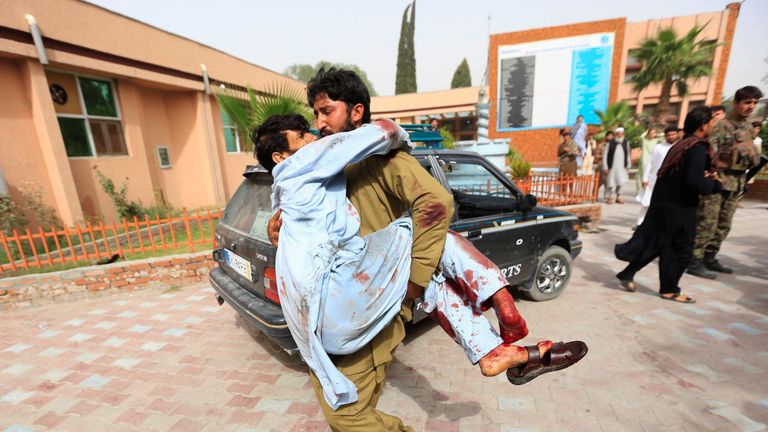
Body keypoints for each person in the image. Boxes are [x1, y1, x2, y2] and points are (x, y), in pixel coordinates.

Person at [266, 68, 585, 431]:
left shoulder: (380, 159)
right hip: (333, 302)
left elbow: (435, 205)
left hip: (374, 306)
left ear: (356, 113)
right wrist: (275, 227)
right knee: (345, 405)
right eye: (315, 114)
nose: (318, 122)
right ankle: (501, 346)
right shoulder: (319, 169)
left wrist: (415, 282)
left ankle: (499, 326)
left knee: (347, 415)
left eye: (326, 111)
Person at [615, 106, 722, 303]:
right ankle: (669, 289)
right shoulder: (697, 147)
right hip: (680, 209)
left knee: (658, 244)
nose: (713, 126)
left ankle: (627, 273)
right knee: (681, 250)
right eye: (712, 123)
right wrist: (715, 185)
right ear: (703, 125)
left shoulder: (681, 145)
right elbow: (694, 181)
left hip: (665, 205)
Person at [687, 86, 763, 278]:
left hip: (736, 181)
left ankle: (710, 257)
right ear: (736, 104)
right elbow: (709, 154)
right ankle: (694, 260)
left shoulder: (747, 128)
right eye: (747, 102)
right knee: (707, 222)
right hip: (718, 180)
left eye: (754, 103)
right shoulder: (720, 126)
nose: (751, 107)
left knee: (724, 223)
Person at [635, 126, 678, 228]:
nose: (671, 137)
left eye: (673, 134)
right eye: (669, 135)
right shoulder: (658, 147)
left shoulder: (679, 148)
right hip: (654, 179)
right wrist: (645, 178)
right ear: (665, 136)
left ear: (677, 135)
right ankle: (639, 223)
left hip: (671, 181)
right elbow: (650, 163)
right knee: (647, 202)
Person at [603, 127, 630, 204]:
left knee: (621, 182)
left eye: (621, 134)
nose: (619, 135)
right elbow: (605, 156)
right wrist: (605, 167)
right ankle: (610, 197)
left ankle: (618, 197)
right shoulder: (610, 143)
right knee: (610, 182)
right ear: (615, 134)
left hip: (622, 166)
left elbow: (628, 154)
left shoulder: (626, 142)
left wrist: (628, 165)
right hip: (612, 166)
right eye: (618, 134)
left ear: (623, 134)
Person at [636, 128, 659, 195]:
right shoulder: (644, 140)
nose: (652, 134)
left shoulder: (656, 141)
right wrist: (647, 130)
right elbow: (641, 136)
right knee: (643, 175)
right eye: (651, 133)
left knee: (652, 175)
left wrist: (656, 134)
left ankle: (649, 190)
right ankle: (640, 191)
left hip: (653, 160)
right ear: (648, 134)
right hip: (644, 160)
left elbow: (663, 135)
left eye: (654, 133)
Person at [595, 131, 612, 200]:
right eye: (609, 136)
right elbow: (596, 155)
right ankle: (595, 195)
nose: (610, 137)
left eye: (611, 136)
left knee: (609, 182)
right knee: (598, 182)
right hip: (601, 165)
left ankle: (607, 197)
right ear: (606, 137)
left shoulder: (613, 146)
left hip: (610, 166)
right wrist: (603, 156)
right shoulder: (601, 145)